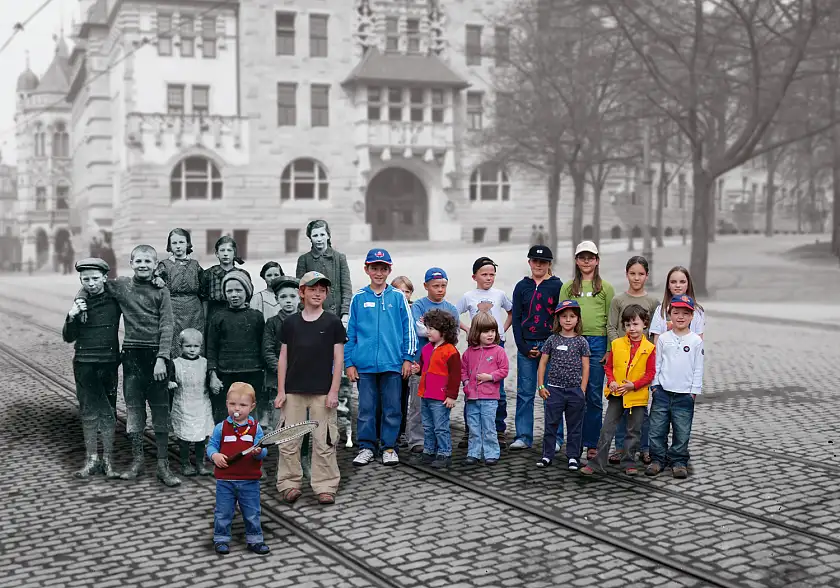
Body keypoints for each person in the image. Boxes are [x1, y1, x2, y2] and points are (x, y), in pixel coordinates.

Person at [79, 245, 177, 486]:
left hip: (156, 357)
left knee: (161, 411)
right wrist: (81, 297)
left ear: (156, 265)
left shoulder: (161, 292)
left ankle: (163, 465)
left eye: (148, 261)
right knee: (134, 411)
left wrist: (162, 358)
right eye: (138, 261)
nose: (143, 265)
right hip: (132, 355)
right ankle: (137, 460)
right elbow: (92, 284)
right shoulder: (121, 285)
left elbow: (167, 326)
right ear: (131, 263)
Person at [274, 271, 346, 505]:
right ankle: (289, 483)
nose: (318, 293)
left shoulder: (332, 322)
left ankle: (325, 485)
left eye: (322, 290)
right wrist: (281, 390)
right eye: (313, 289)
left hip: (322, 392)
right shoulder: (290, 323)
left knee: (324, 440)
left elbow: (338, 360)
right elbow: (283, 358)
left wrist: (334, 391)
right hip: (293, 391)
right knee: (288, 440)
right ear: (301, 292)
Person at [346, 249, 416, 467]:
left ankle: (389, 447)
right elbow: (351, 333)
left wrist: (407, 358)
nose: (378, 272)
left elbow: (409, 329)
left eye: (383, 268)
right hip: (365, 365)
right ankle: (366, 446)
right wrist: (349, 362)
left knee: (392, 407)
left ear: (389, 270)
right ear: (367, 269)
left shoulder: (397, 298)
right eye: (374, 268)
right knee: (366, 408)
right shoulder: (358, 298)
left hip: (392, 364)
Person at [581, 304, 656, 476]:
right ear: (623, 326)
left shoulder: (650, 348)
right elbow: (609, 366)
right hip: (617, 394)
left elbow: (650, 373)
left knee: (633, 430)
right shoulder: (616, 344)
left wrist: (634, 385)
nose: (632, 328)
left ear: (645, 324)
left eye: (635, 324)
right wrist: (612, 381)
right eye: (628, 325)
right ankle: (596, 463)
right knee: (607, 428)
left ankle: (629, 462)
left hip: (637, 396)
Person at [63, 258, 121, 478]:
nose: (91, 283)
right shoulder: (80, 303)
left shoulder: (115, 298)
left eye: (96, 278)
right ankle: (91, 459)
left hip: (108, 362)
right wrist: (72, 315)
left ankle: (108, 461)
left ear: (105, 278)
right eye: (86, 279)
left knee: (109, 412)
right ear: (80, 280)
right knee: (88, 412)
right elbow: (68, 337)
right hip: (84, 363)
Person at [558, 241, 615, 461]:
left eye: (590, 257)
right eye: (582, 257)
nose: (586, 261)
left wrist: (609, 349)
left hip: (598, 342)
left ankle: (592, 441)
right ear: (576, 260)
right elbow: (562, 315)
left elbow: (611, 321)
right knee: (573, 393)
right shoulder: (568, 287)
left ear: (597, 260)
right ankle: (575, 441)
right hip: (573, 340)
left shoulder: (605, 289)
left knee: (593, 394)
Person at [510, 245, 563, 451]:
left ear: (549, 264)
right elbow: (516, 318)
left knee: (552, 393)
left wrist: (553, 346)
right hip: (527, 346)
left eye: (543, 262)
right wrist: (523, 347)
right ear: (529, 262)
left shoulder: (557, 286)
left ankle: (555, 438)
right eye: (535, 261)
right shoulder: (522, 287)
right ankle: (523, 436)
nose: (538, 265)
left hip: (550, 347)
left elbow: (562, 318)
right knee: (525, 392)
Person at [207, 382, 270, 555]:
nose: (237, 408)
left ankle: (255, 540)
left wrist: (258, 452)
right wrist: (215, 456)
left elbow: (263, 451)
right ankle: (221, 539)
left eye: (243, 405)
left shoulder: (256, 428)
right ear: (227, 404)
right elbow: (211, 446)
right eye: (233, 404)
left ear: (252, 407)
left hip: (249, 481)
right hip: (225, 481)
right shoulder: (221, 427)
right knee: (223, 512)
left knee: (252, 512)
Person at [608, 256, 659, 466]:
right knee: (620, 407)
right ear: (626, 274)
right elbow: (611, 327)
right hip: (621, 362)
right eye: (632, 273)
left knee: (640, 410)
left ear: (646, 275)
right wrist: (618, 347)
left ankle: (644, 448)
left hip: (642, 364)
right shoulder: (618, 300)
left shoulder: (653, 302)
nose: (636, 278)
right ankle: (621, 447)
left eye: (640, 274)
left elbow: (655, 331)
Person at [456, 257, 512, 448]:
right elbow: (453, 314)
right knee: (473, 387)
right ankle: (470, 430)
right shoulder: (468, 296)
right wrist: (468, 329)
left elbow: (511, 312)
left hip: (497, 346)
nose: (489, 278)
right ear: (475, 276)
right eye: (484, 274)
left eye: (492, 274)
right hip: (475, 348)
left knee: (499, 390)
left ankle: (498, 430)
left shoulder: (500, 294)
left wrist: (502, 329)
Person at [646, 295, 704, 479]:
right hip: (662, 392)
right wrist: (655, 386)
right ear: (669, 314)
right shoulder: (664, 338)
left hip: (684, 394)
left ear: (692, 316)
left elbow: (698, 368)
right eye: (676, 312)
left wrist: (693, 392)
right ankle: (657, 459)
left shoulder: (695, 341)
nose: (680, 317)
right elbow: (657, 364)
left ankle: (679, 461)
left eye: (685, 313)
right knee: (657, 428)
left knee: (682, 430)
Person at [405, 268, 459, 455]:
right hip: (422, 365)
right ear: (426, 286)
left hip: (442, 369)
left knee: (439, 408)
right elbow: (418, 329)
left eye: (443, 286)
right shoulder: (418, 305)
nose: (440, 289)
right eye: (435, 286)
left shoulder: (451, 308)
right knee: (418, 406)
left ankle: (438, 442)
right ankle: (417, 440)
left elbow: (454, 334)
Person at [534, 300, 590, 470]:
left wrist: (582, 389)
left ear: (577, 319)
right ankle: (547, 454)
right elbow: (543, 363)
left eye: (572, 316)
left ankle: (573, 456)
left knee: (574, 426)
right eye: (564, 316)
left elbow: (586, 366)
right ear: (557, 319)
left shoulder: (581, 342)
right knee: (551, 424)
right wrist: (541, 386)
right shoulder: (552, 340)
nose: (567, 320)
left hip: (574, 391)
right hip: (554, 390)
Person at [207, 270, 265, 427]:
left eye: (238, 290)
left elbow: (263, 346)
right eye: (229, 291)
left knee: (249, 413)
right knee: (225, 415)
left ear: (246, 291)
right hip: (225, 374)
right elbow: (211, 348)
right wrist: (213, 375)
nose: (234, 294)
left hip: (252, 373)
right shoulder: (218, 317)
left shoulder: (256, 317)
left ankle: (249, 445)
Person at [461, 312, 508, 466]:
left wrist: (490, 377)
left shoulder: (499, 351)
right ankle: (473, 452)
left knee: (489, 426)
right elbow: (463, 370)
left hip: (490, 397)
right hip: (472, 397)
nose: (490, 334)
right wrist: (467, 383)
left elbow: (504, 370)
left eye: (493, 331)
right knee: (473, 426)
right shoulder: (469, 353)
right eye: (486, 331)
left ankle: (491, 453)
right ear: (476, 332)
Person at [416, 309, 461, 469]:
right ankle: (429, 451)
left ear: (443, 331)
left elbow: (455, 376)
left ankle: (444, 453)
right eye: (427, 328)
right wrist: (417, 369)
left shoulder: (451, 351)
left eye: (431, 329)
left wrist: (451, 396)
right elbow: (423, 368)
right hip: (425, 394)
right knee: (427, 426)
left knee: (440, 427)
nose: (427, 331)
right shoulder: (427, 348)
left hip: (440, 398)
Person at [169, 328, 215, 476]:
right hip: (183, 403)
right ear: (181, 346)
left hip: (201, 403)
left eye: (196, 346)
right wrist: (171, 383)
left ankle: (200, 463)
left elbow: (209, 381)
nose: (192, 350)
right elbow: (170, 379)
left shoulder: (204, 363)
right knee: (185, 437)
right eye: (188, 346)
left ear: (200, 347)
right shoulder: (176, 363)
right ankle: (185, 463)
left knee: (201, 437)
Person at [154, 228, 205, 361]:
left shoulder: (195, 264)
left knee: (194, 340)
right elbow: (155, 279)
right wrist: (157, 278)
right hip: (173, 308)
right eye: (174, 243)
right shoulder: (164, 265)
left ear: (188, 244)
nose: (178, 246)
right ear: (169, 246)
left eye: (181, 242)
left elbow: (204, 285)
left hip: (194, 310)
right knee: (175, 341)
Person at [262, 275, 300, 431]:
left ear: (300, 298)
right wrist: (281, 370)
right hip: (278, 377)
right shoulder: (272, 323)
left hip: (301, 376)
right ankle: (281, 446)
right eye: (283, 297)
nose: (288, 300)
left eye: (292, 296)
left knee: (299, 415)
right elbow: (267, 350)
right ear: (277, 299)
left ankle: (299, 448)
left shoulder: (306, 320)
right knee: (279, 413)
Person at [201, 235, 250, 334]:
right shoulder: (209, 273)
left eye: (229, 250)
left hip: (237, 312)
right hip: (214, 312)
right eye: (222, 250)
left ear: (234, 253)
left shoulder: (242, 274)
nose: (226, 254)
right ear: (217, 254)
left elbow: (247, 299)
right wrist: (205, 320)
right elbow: (204, 299)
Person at [650, 266, 706, 344]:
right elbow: (656, 341)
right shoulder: (661, 310)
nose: (678, 285)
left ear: (688, 284)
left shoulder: (697, 311)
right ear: (668, 285)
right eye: (673, 282)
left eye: (682, 282)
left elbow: (699, 341)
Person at [390, 276, 414, 447]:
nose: (404, 294)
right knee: (389, 399)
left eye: (407, 291)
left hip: (406, 360)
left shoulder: (413, 309)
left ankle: (402, 431)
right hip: (391, 359)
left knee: (403, 397)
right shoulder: (390, 307)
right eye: (400, 291)